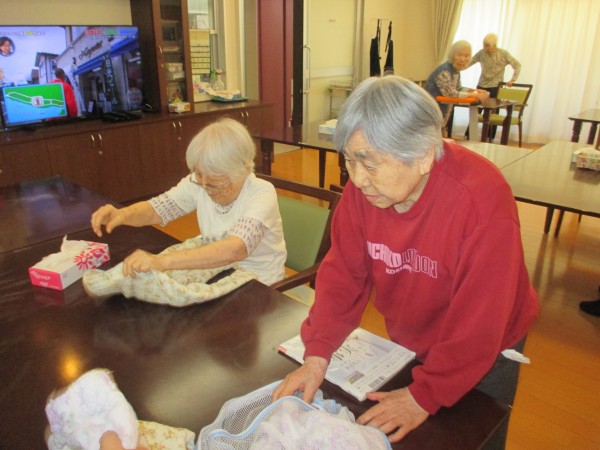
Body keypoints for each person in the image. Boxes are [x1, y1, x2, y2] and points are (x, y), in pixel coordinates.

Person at [273, 75, 539, 448]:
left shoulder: (481, 201)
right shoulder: (365, 192)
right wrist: (316, 355)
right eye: (349, 161)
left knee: (476, 436)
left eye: (370, 165)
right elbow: (344, 275)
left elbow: (480, 322)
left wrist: (424, 395)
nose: (358, 180)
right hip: (415, 339)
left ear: (424, 155)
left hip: (486, 349)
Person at [90, 117, 287, 286]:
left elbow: (235, 249)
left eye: (213, 180)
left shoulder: (261, 193)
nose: (204, 184)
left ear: (241, 170)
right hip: (219, 274)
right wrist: (122, 214)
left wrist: (161, 261)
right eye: (199, 173)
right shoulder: (199, 182)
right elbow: (158, 209)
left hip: (261, 284)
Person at [424, 40, 489, 135]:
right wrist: (474, 95)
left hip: (440, 117)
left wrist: (474, 91)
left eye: (466, 56)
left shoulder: (455, 71)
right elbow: (450, 93)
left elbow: (458, 88)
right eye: (459, 55)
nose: (462, 59)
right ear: (452, 55)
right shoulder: (444, 71)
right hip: (430, 116)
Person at [470, 33, 522, 99]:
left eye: (488, 45)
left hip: (496, 87)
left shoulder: (503, 53)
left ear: (494, 45)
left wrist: (512, 80)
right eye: (485, 45)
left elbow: (517, 65)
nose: (486, 48)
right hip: (481, 86)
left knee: (493, 105)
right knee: (477, 104)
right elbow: (469, 62)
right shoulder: (481, 53)